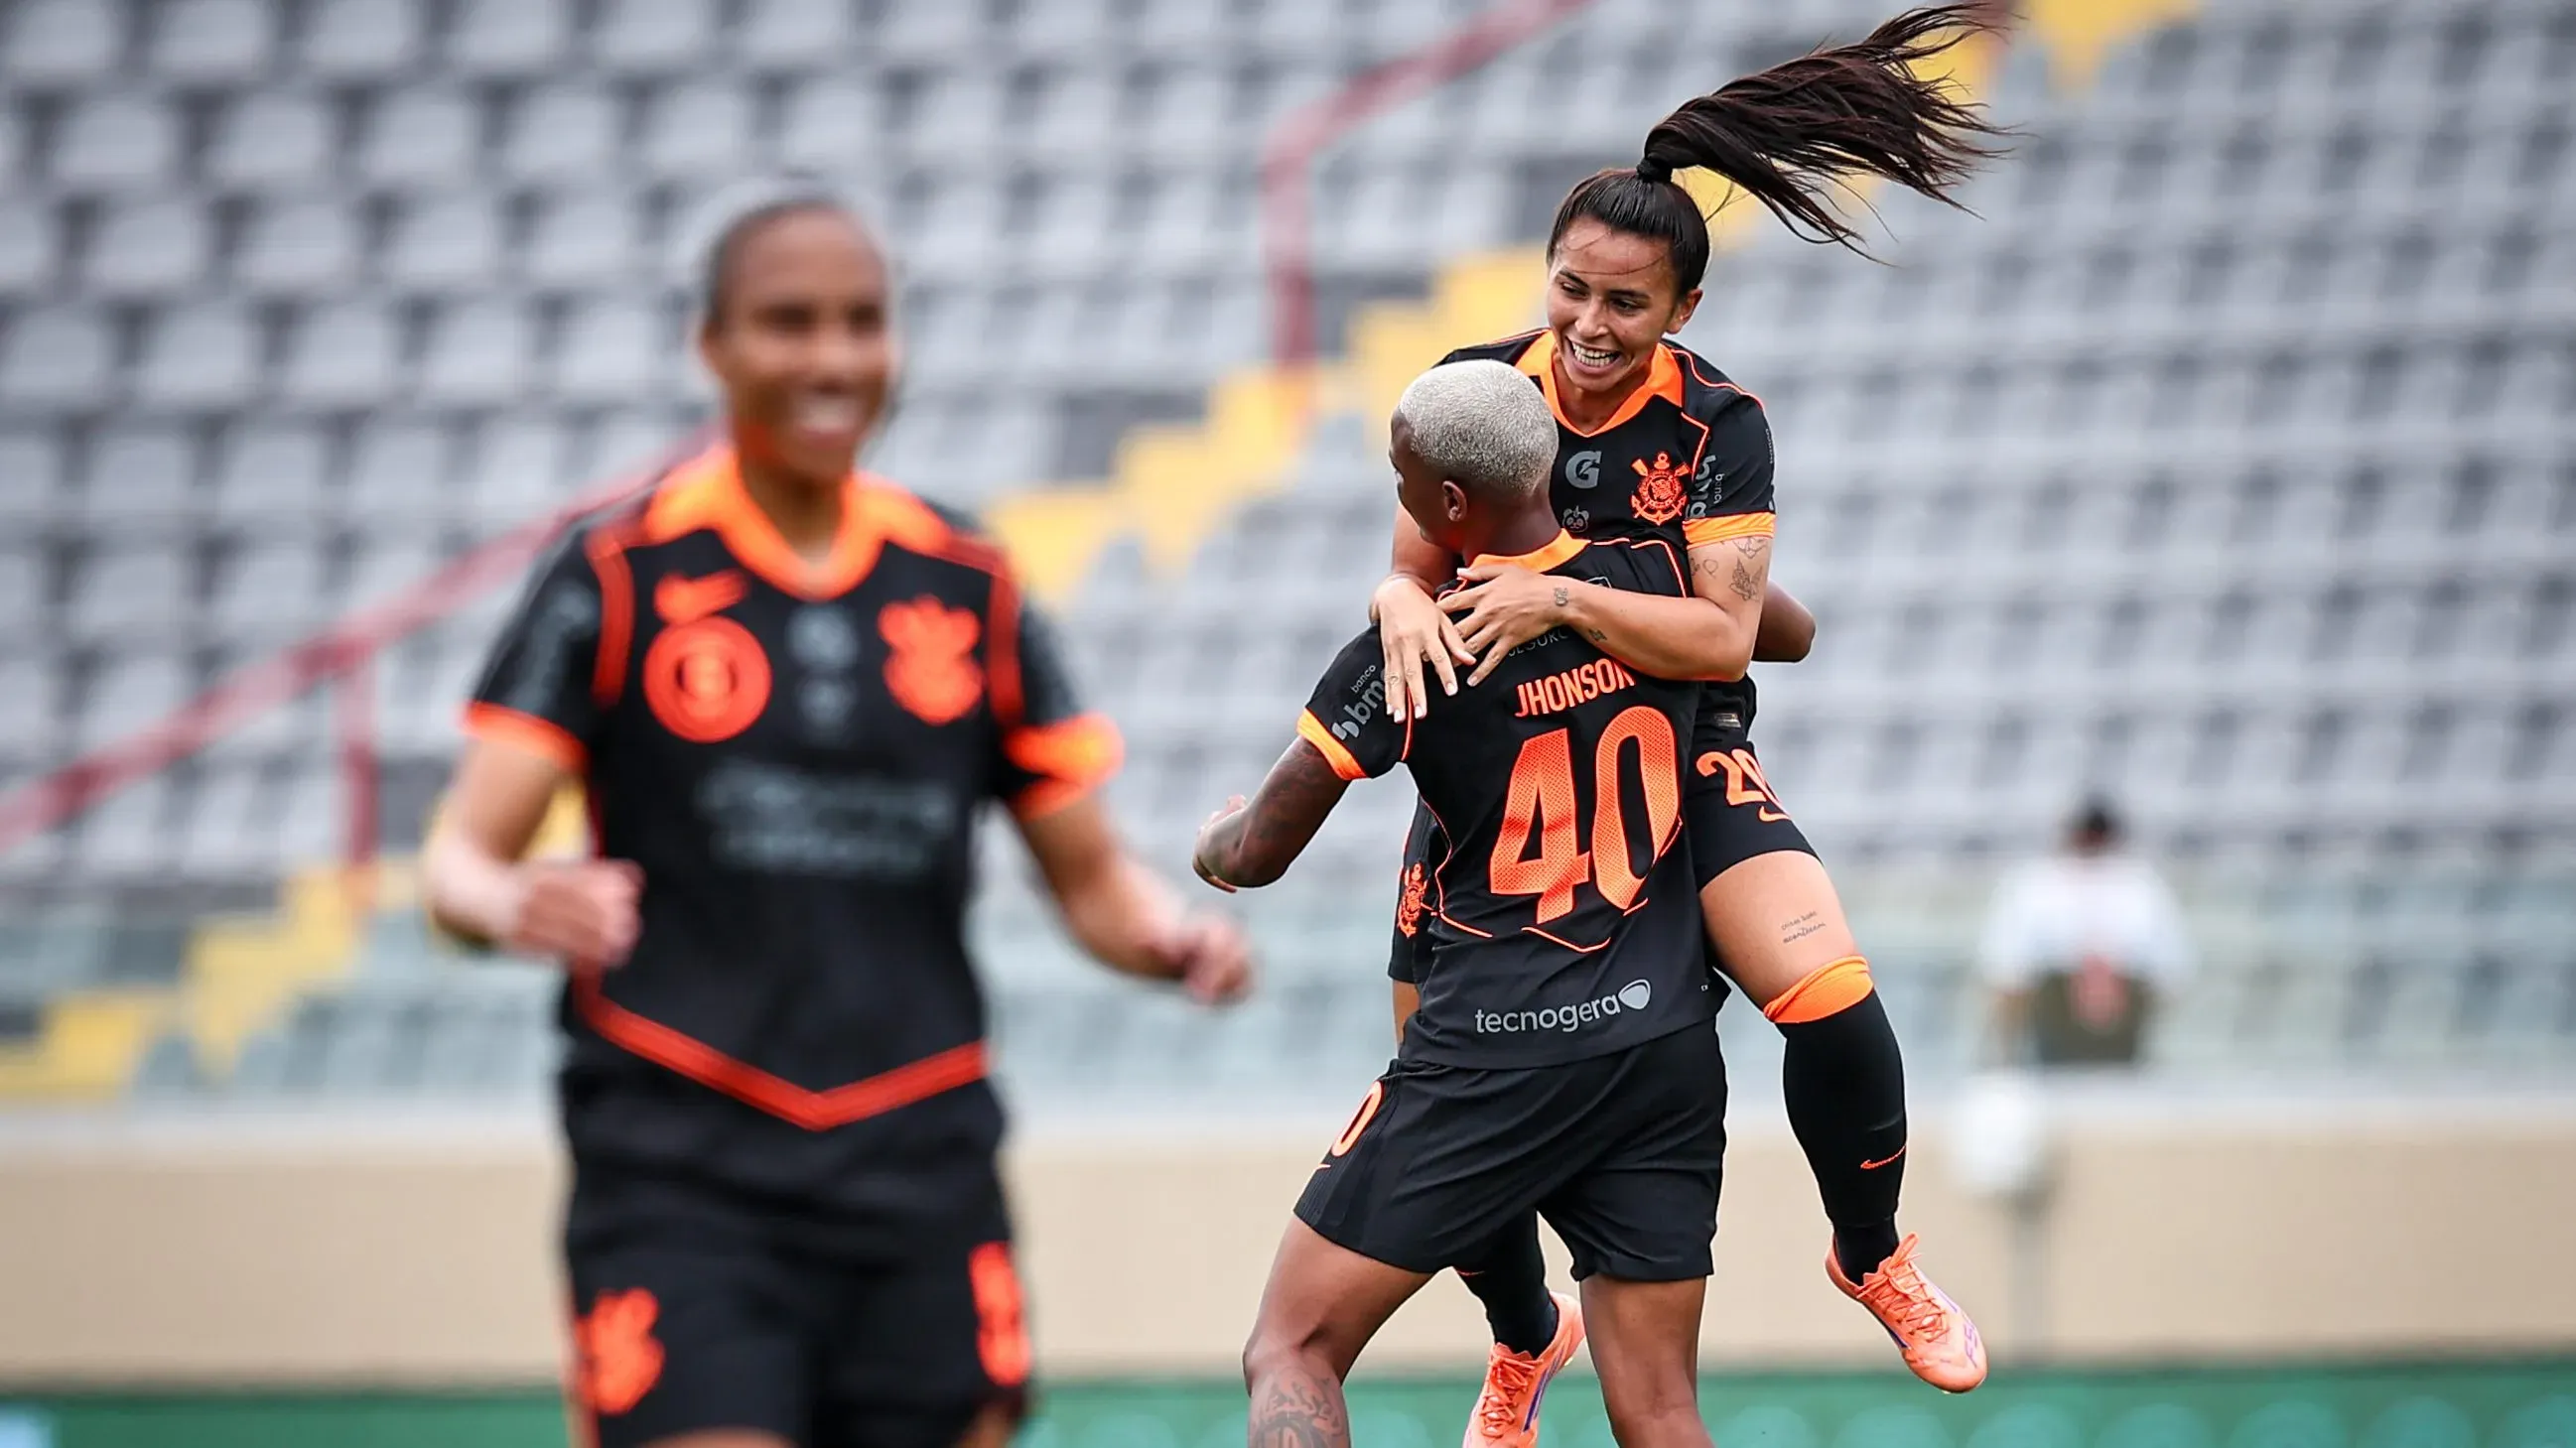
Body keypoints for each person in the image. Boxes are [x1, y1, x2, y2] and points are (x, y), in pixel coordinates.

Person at [421, 182, 1254, 1448]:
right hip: (679, 1161)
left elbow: (1090, 878)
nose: (832, 357)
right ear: (716, 346)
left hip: (919, 1157)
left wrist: (1169, 935)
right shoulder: (617, 574)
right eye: (789, 321)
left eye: (862, 322)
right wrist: (507, 900)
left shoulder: (967, 584)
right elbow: (457, 862)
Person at [1368, 6, 2009, 1431]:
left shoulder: (1718, 424)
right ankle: (1523, 1332)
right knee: (1434, 1081)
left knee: (1830, 994)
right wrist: (1402, 596)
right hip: (1496, 796)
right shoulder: (1480, 389)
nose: (1588, 328)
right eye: (1570, 290)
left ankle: (1871, 1251)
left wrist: (1566, 601)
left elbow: (1729, 635)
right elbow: (1420, 555)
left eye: (1625, 304)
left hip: (1680, 758)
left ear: (1682, 314)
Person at [1199, 359, 1729, 1448]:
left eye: (1404, 484)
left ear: (1447, 505)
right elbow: (1777, 624)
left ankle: (1521, 1327)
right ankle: (1528, 1328)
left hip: (1496, 1047)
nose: (1400, 509)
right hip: (1662, 1039)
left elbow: (1260, 851)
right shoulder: (1658, 578)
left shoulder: (1421, 639)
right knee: (1664, 1409)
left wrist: (1213, 844)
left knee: (1292, 1347)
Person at [1978, 797, 2194, 1066]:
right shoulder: (2037, 884)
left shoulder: (2140, 885)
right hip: (2049, 1018)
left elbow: (2167, 974)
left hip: (2124, 1023)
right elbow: (2008, 973)